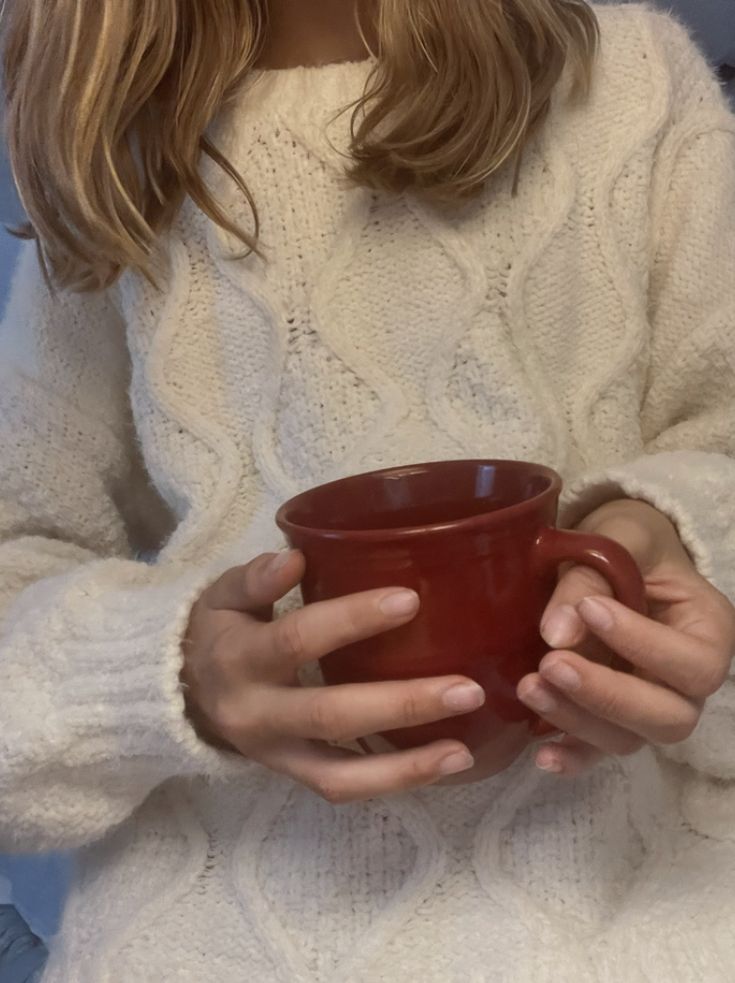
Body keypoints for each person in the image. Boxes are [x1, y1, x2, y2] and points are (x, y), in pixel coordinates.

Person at [0, 0, 734, 979]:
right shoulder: (117, 147)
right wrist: (174, 673)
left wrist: (664, 531)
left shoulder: (634, 77)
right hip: (213, 922)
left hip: (646, 891)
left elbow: (718, 433)